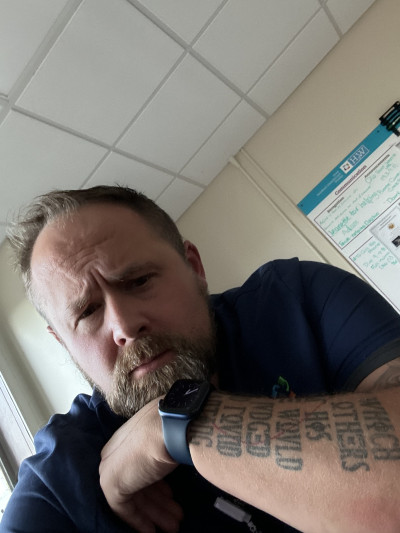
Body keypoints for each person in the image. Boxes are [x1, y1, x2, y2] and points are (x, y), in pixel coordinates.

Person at [1, 185, 400, 533]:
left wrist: (179, 422)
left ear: (193, 267)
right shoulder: (61, 478)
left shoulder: (300, 302)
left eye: (139, 281)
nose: (124, 325)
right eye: (88, 312)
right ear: (63, 343)